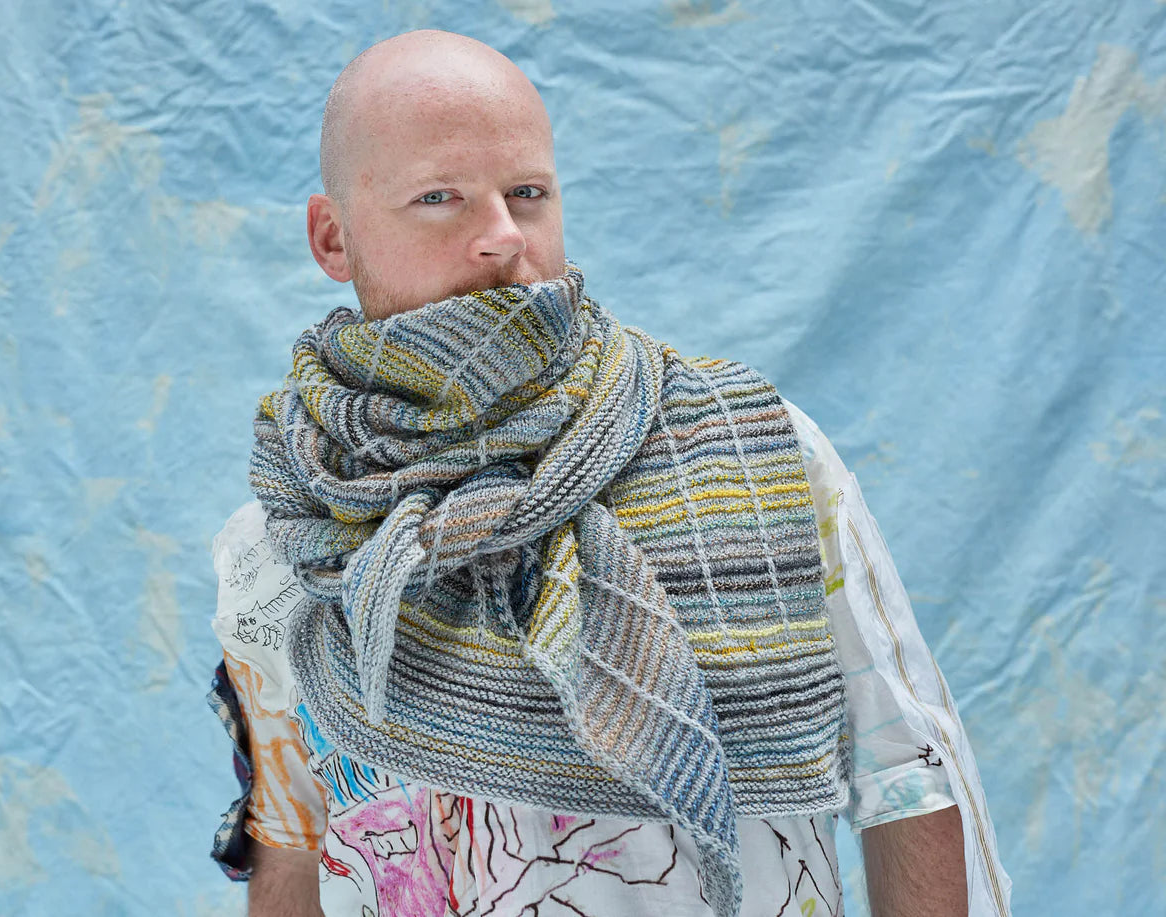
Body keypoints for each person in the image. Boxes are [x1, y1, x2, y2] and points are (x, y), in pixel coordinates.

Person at [206, 29, 1011, 917]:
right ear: (333, 237)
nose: (501, 236)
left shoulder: (759, 454)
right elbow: (292, 839)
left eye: (527, 193)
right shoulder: (281, 544)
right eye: (440, 197)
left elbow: (908, 773)